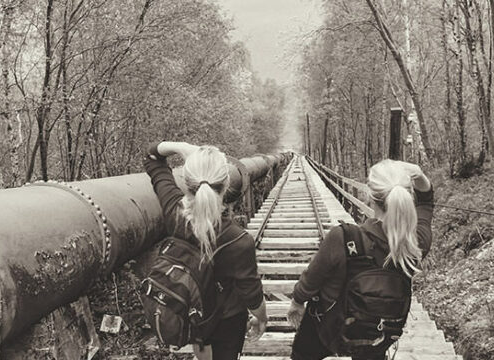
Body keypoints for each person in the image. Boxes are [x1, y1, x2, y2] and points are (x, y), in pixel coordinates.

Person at [286, 159, 434, 360]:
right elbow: (426, 202)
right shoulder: (415, 243)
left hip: (330, 326)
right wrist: (419, 174)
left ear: (370, 196)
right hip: (380, 330)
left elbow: (312, 278)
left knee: (302, 354)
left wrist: (297, 302)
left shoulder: (343, 237)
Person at [144, 141, 268, 360]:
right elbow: (251, 293)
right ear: (227, 183)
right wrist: (262, 319)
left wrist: (181, 147)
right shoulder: (239, 240)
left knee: (201, 345)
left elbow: (153, 158)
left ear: (185, 181)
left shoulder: (174, 211)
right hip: (227, 320)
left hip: (193, 312)